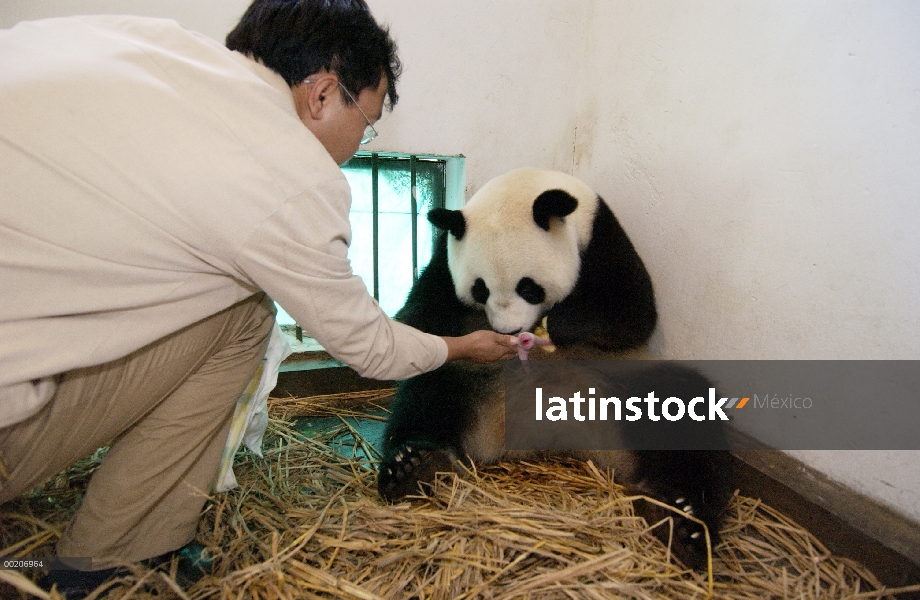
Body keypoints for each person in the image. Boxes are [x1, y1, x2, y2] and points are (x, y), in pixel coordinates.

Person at [0, 0, 515, 595]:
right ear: (322, 94)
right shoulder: (284, 170)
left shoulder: (153, 45)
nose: (359, 141)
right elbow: (371, 349)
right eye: (367, 122)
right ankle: (118, 556)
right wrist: (465, 346)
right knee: (245, 315)